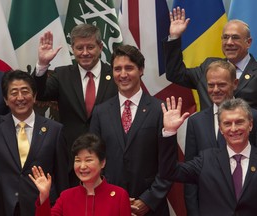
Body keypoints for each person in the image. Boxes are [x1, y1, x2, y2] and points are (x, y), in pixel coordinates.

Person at [163, 7, 257, 139]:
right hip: (209, 151)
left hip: (246, 153)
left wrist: (252, 149)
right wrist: (174, 37)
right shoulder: (209, 67)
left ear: (248, 42)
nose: (229, 42)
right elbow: (175, 73)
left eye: (235, 38)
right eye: (225, 38)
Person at [159, 97, 257, 216]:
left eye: (239, 122)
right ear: (221, 129)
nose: (234, 129)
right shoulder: (205, 160)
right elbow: (169, 171)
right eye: (227, 124)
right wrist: (170, 132)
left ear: (250, 125)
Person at [90, 45, 172, 216]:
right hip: (109, 205)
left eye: (129, 68)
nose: (123, 74)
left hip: (151, 208)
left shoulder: (161, 110)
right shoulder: (100, 111)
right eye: (117, 69)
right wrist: (111, 196)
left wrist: (148, 200)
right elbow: (94, 160)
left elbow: (168, 163)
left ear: (141, 70)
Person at [184, 60, 257, 215]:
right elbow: (190, 177)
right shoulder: (195, 122)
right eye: (211, 85)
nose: (215, 90)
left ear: (235, 83)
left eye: (222, 85)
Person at [33, 23, 118, 186]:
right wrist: (42, 64)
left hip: (108, 161)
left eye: (90, 47)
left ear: (100, 47)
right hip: (72, 164)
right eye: (79, 48)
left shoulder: (115, 75)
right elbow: (40, 94)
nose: (85, 53)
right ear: (72, 48)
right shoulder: (62, 74)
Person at [0, 70, 69, 216]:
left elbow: (62, 177)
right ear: (5, 99)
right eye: (14, 92)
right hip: (4, 206)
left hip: (42, 206)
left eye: (25, 91)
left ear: (34, 96)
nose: (20, 97)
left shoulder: (54, 130)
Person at [29, 133, 131, 216]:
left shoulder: (119, 195)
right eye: (78, 160)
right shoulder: (66, 197)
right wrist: (44, 195)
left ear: (102, 162)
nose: (82, 166)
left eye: (88, 160)